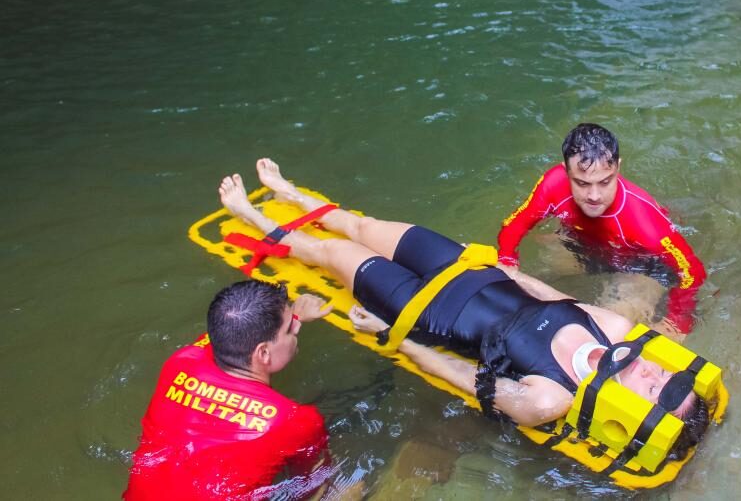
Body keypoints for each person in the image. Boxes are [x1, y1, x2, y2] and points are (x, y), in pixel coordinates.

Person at [217, 159, 709, 446]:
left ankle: (252, 217)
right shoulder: (618, 333)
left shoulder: (549, 399)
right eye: (661, 374)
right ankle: (289, 193)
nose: (650, 373)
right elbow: (553, 295)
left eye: (652, 389)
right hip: (467, 270)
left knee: (330, 252)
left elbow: (463, 377)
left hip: (426, 309)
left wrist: (393, 339)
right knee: (364, 226)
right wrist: (501, 267)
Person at [124, 280, 334, 500]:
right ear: (262, 353)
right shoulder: (295, 419)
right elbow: (310, 486)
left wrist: (295, 315)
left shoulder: (180, 361)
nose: (297, 328)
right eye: (291, 328)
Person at [497, 123, 706, 333]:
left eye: (605, 182)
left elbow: (693, 272)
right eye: (582, 183)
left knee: (606, 327)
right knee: (536, 271)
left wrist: (677, 321)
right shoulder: (553, 184)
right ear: (566, 170)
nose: (594, 196)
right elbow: (515, 224)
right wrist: (507, 261)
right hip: (586, 246)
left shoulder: (645, 222)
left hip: (640, 266)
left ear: (618, 167)